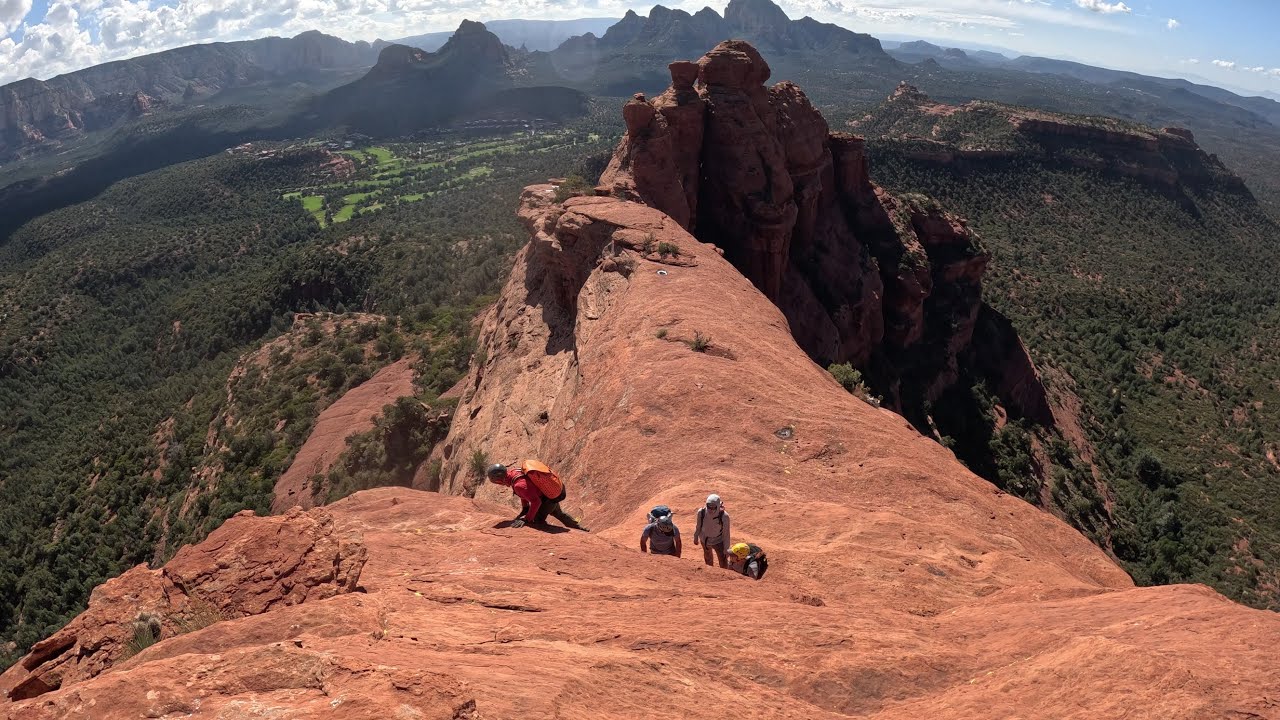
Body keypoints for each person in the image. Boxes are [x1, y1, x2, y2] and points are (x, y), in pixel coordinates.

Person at [486, 462, 589, 531]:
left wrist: (527, 519)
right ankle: (579, 528)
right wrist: (525, 508)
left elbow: (536, 502)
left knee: (537, 523)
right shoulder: (514, 473)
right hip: (549, 495)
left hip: (544, 501)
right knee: (559, 514)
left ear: (499, 480)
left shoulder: (518, 485)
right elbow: (525, 494)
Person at [693, 494, 731, 568]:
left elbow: (726, 534)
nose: (710, 509)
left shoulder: (724, 516)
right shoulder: (701, 512)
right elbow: (698, 526)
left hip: (718, 541)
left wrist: (726, 548)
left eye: (713, 507)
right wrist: (695, 536)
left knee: (723, 561)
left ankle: (724, 576)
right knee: (708, 558)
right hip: (705, 540)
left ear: (718, 506)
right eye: (709, 506)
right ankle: (710, 573)